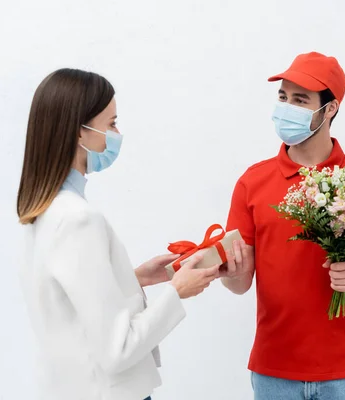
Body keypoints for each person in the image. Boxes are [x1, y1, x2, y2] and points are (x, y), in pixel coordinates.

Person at [16, 68, 219, 400]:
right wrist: (176, 292)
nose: (117, 133)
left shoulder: (39, 213)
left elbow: (68, 303)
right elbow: (118, 350)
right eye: (110, 124)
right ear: (78, 132)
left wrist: (134, 277)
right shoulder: (80, 220)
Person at [222, 52, 345, 400]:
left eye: (300, 100)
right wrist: (227, 271)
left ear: (330, 109)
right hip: (274, 370)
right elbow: (240, 283)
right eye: (283, 97)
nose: (286, 108)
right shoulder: (252, 183)